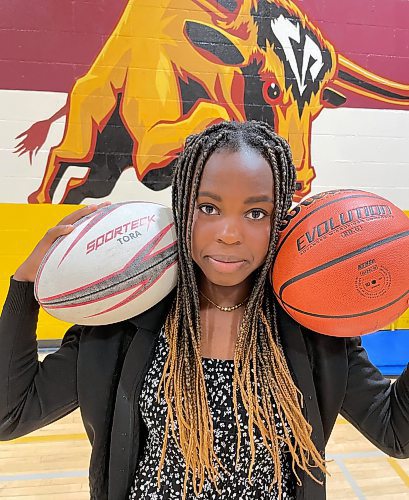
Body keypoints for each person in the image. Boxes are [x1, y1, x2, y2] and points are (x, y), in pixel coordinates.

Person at [0, 120, 408, 500]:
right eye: (208, 208)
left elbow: (396, 431)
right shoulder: (125, 319)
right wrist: (23, 287)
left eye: (255, 213)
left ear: (279, 219)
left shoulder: (310, 328)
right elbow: (9, 414)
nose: (229, 234)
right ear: (181, 208)